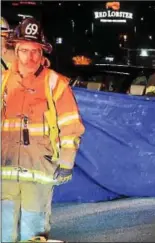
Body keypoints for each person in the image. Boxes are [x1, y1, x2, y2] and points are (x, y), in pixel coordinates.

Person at [1, 17, 85, 242]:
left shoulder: (55, 83)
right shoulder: (2, 82)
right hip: (4, 174)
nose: (30, 57)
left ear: (42, 53)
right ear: (16, 51)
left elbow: (71, 126)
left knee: (34, 232)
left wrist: (66, 163)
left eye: (35, 51)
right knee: (3, 231)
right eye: (25, 50)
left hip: (39, 174)